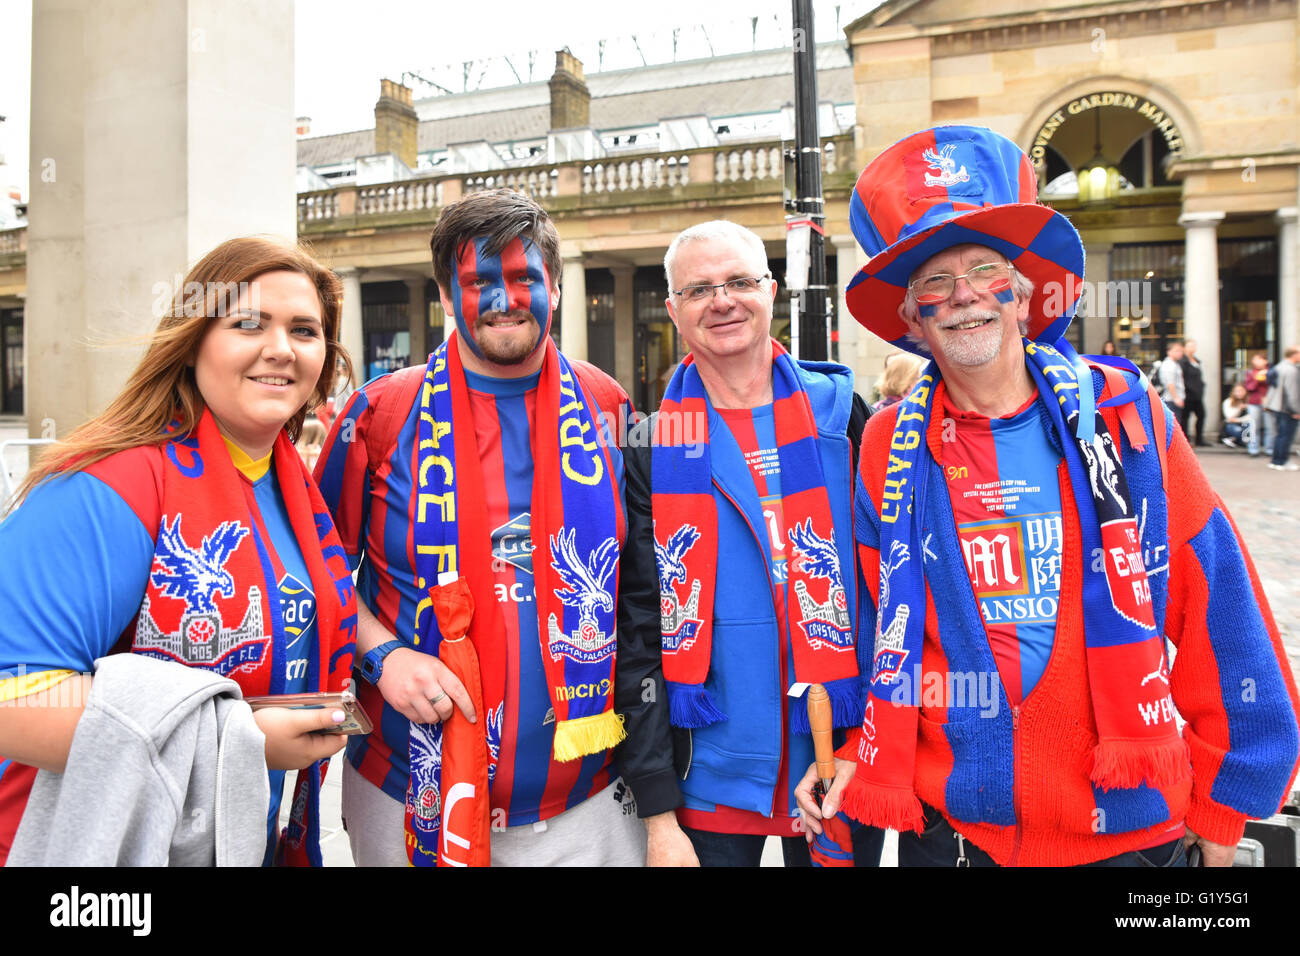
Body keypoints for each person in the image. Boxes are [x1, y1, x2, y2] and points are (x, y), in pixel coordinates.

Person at [800, 125, 1300, 867]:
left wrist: (1227, 809)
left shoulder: (1126, 419)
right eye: (934, 283)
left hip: (1128, 833)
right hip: (956, 835)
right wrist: (845, 744)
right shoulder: (884, 446)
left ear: (1025, 293)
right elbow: (870, 621)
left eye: (986, 270)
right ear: (911, 319)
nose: (964, 295)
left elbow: (1220, 604)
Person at [0, 236, 360, 865]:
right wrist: (238, 740)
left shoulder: (293, 487)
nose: (280, 348)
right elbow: (15, 698)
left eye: (304, 330)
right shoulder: (105, 486)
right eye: (248, 323)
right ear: (194, 340)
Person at [313, 188, 647, 866]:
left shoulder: (607, 403)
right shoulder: (379, 414)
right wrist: (383, 656)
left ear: (554, 284)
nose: (506, 298)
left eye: (526, 278)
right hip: (409, 790)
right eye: (479, 282)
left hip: (585, 799)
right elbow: (314, 571)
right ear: (445, 293)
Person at [617, 219, 879, 867]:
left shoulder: (843, 414)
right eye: (700, 289)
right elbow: (639, 626)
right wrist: (654, 801)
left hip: (837, 754)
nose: (723, 300)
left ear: (771, 289)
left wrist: (871, 742)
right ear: (674, 310)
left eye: (739, 281)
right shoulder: (649, 445)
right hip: (705, 769)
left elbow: (890, 587)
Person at [1264, 346, 1300, 472]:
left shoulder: (1279, 366)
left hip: (1276, 406)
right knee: (1286, 436)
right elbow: (1292, 393)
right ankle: (1282, 461)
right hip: (1286, 408)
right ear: (1294, 355)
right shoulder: (1291, 370)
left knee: (1280, 435)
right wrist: (1296, 410)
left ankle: (1276, 460)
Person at [1179, 338, 1208, 446]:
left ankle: (1199, 438)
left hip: (1197, 394)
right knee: (1185, 418)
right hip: (1188, 394)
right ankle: (1185, 440)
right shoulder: (1183, 362)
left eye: (1194, 346)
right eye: (1190, 346)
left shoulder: (1196, 361)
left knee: (1201, 415)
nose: (1192, 348)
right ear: (1185, 348)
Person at [1243, 351, 1271, 456]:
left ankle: (1270, 449)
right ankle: (1253, 449)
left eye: (1258, 359)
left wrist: (1266, 376)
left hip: (1268, 402)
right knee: (1253, 426)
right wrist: (1256, 378)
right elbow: (1249, 387)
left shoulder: (1271, 371)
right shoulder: (1250, 372)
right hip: (1254, 402)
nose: (1255, 362)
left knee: (1270, 427)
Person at [1157, 341, 1185, 424]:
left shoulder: (1175, 364)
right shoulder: (1169, 365)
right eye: (1177, 351)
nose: (1180, 353)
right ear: (1169, 352)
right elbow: (1170, 383)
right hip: (1170, 399)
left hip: (1173, 399)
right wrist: (1176, 398)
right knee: (1173, 425)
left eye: (1181, 351)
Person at [1220, 384, 1253, 448]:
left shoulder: (1249, 402)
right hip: (1232, 425)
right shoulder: (1228, 401)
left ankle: (1234, 440)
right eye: (1237, 391)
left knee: (1250, 426)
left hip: (1245, 424)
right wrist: (1239, 409)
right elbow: (1229, 418)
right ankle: (1240, 441)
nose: (1239, 393)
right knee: (1236, 430)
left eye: (1241, 391)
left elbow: (1251, 417)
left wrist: (1238, 420)